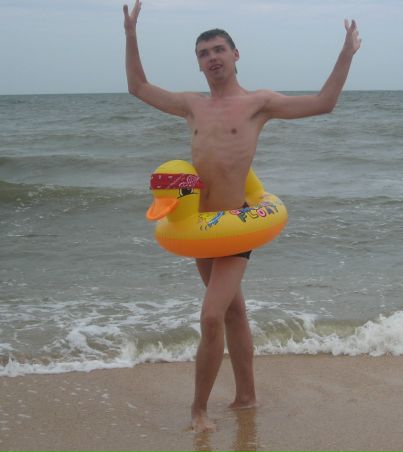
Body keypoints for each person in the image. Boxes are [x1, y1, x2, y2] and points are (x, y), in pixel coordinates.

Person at [123, 0, 361, 432]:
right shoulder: (192, 106)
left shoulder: (258, 103)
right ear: (198, 64)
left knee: (211, 316)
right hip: (200, 227)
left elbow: (323, 103)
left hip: (235, 227)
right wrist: (131, 35)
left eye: (219, 49)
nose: (212, 57)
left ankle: (198, 410)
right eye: (203, 53)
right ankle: (247, 396)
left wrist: (346, 53)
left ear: (235, 55)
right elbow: (138, 86)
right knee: (233, 313)